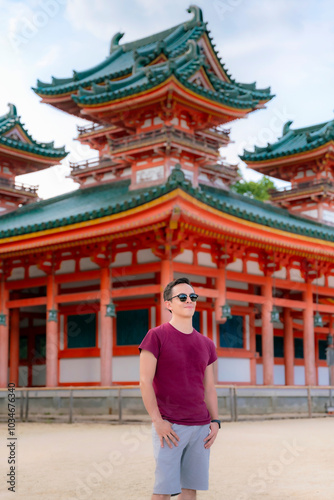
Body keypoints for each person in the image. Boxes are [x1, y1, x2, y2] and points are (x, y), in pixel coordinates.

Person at [139, 277, 220, 500]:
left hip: (201, 427)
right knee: (163, 491)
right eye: (182, 297)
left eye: (192, 297)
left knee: (190, 490)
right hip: (170, 426)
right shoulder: (156, 336)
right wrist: (157, 421)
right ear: (168, 303)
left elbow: (209, 387)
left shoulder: (206, 344)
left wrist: (215, 421)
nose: (188, 301)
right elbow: (144, 381)